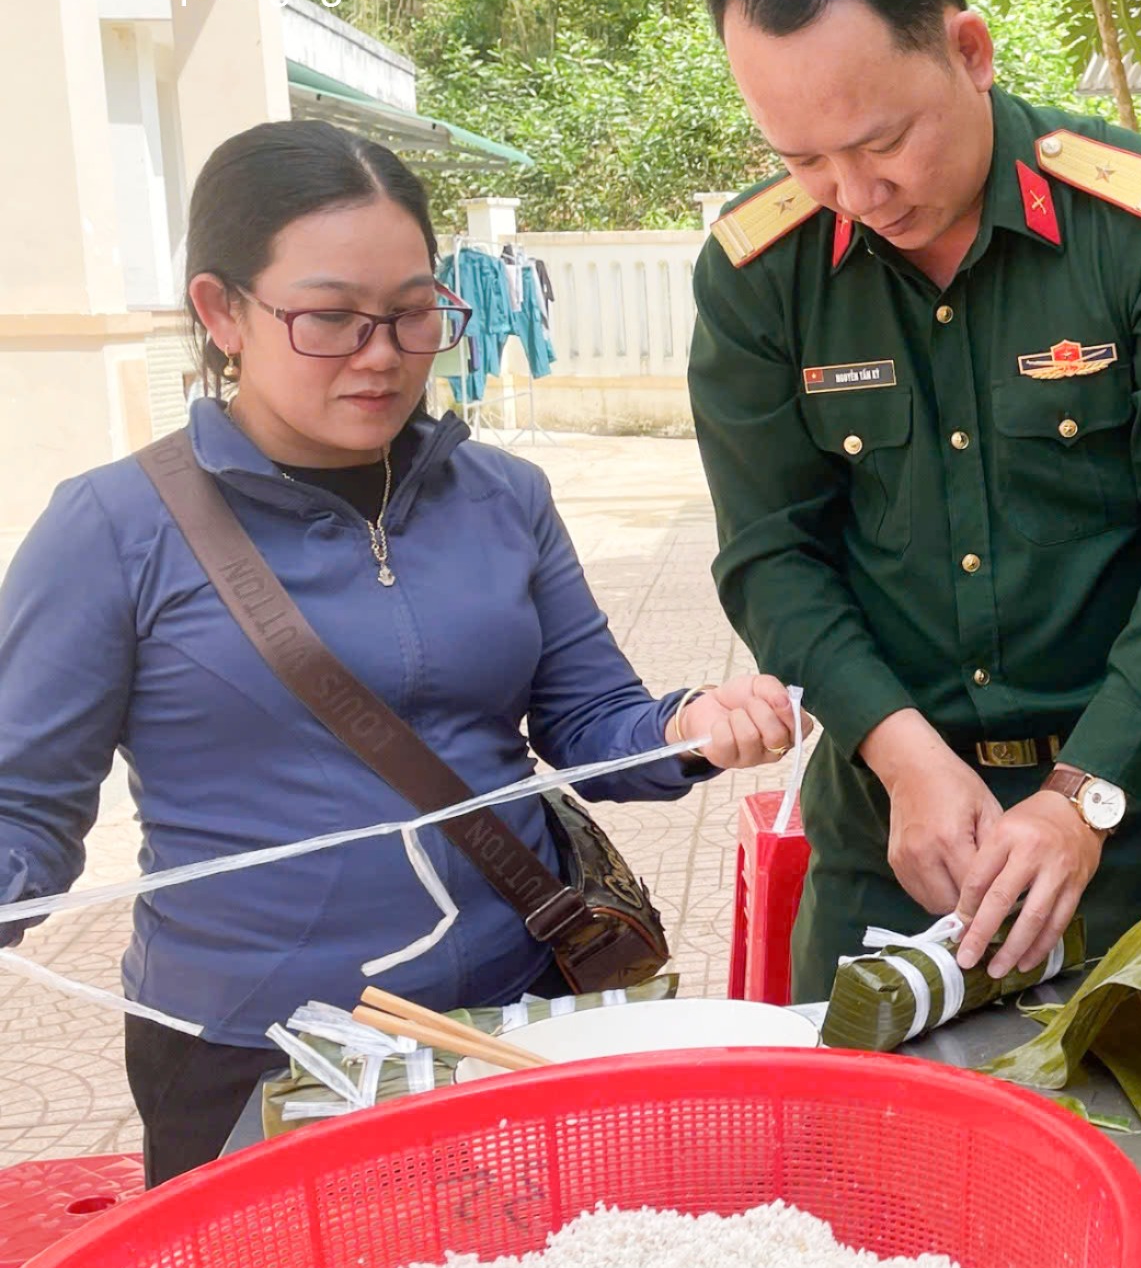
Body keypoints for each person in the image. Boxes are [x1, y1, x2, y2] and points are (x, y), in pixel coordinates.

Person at [0, 120, 792, 1183]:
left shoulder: (504, 497)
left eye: (414, 315)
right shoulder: (111, 528)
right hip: (254, 1051)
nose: (383, 355)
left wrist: (695, 727)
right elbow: (23, 809)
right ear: (220, 311)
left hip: (515, 1018)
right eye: (330, 319)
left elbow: (593, 723)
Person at [687, 0, 1141, 991]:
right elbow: (772, 554)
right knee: (864, 1158)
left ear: (968, 51)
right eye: (802, 160)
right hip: (895, 831)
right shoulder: (759, 273)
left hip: (1137, 808)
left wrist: (1082, 795)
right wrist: (902, 758)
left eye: (880, 141)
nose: (853, 193)